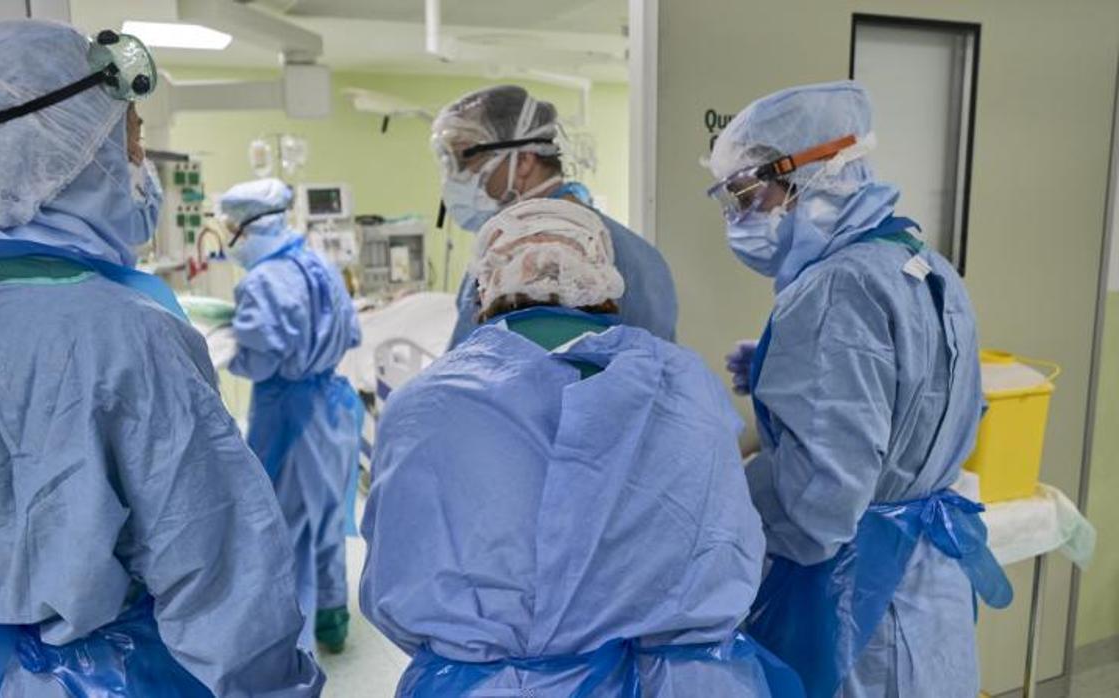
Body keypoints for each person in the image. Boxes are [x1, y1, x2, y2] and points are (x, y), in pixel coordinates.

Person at [0, 20, 323, 696]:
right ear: (66, 155)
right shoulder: (128, 333)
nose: (139, 160)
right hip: (117, 675)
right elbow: (218, 568)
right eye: (130, 136)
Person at [361, 198, 803, 697]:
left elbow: (394, 586)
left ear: (483, 290)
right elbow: (728, 548)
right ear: (606, 284)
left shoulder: (425, 403)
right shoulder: (684, 383)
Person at [704, 80, 1012, 698]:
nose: (739, 217)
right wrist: (785, 380)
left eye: (743, 192)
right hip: (930, 586)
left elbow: (820, 505)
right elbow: (949, 407)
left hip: (862, 597)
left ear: (806, 176)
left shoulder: (834, 289)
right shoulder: (924, 261)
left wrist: (720, 487)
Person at [221, 178, 363, 655]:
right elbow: (352, 330)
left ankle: (289, 647)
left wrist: (227, 350)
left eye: (229, 228)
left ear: (246, 227)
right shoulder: (318, 263)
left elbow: (260, 357)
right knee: (325, 519)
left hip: (289, 414)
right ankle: (332, 616)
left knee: (286, 528)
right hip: (333, 408)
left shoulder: (263, 281)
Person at [433, 85, 678, 347]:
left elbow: (471, 373)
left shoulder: (506, 258)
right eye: (447, 162)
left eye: (465, 158)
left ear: (525, 160)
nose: (453, 177)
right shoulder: (644, 256)